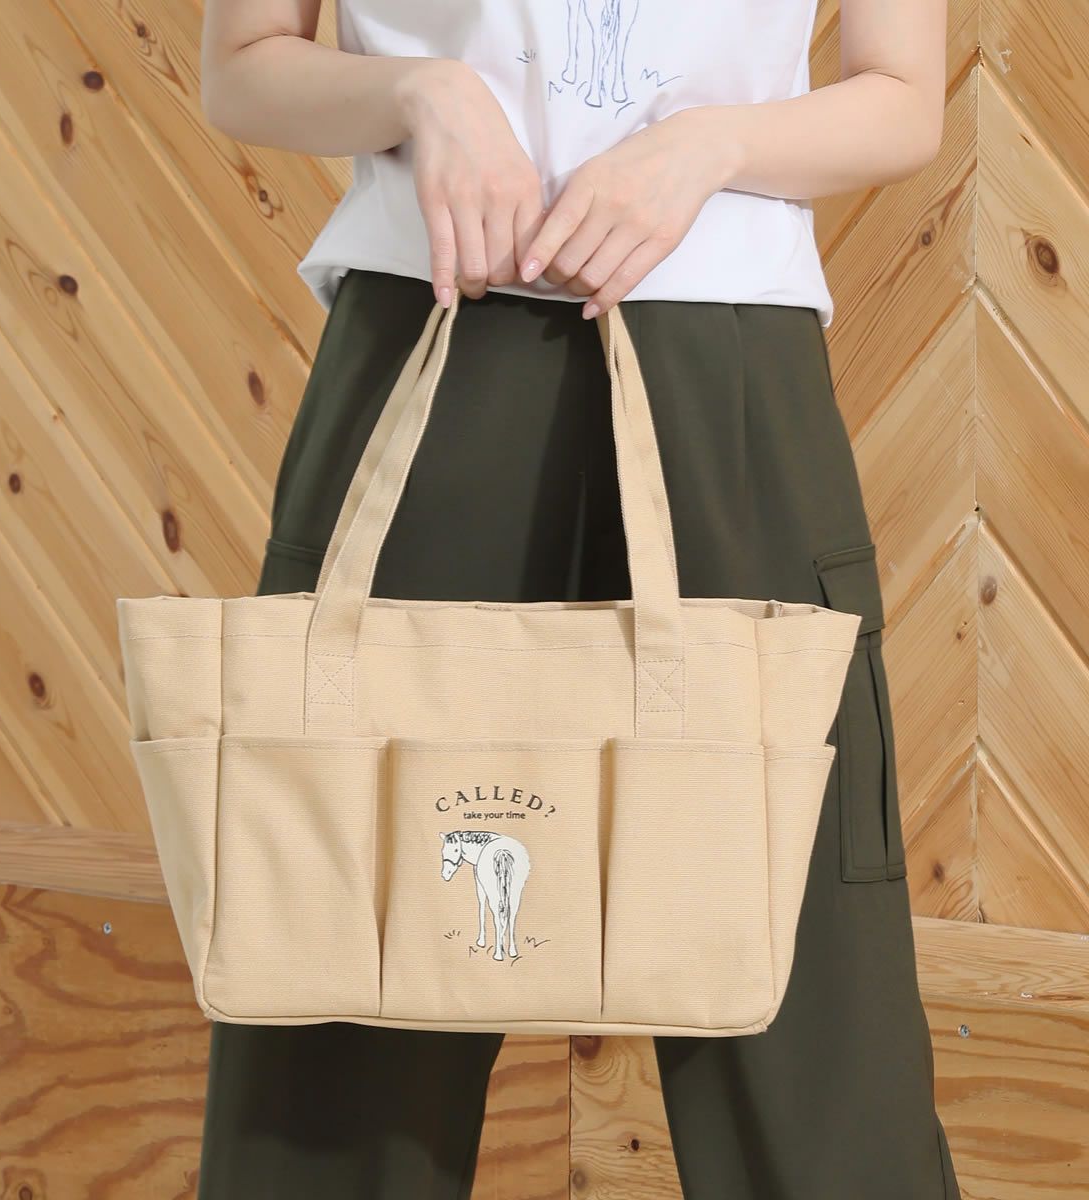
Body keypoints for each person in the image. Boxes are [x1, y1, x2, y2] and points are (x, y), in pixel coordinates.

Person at [194, 1, 961, 1198]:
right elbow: (241, 68)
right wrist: (420, 96)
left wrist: (709, 144)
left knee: (807, 990)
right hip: (429, 336)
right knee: (341, 973)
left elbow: (904, 97)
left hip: (729, 376)